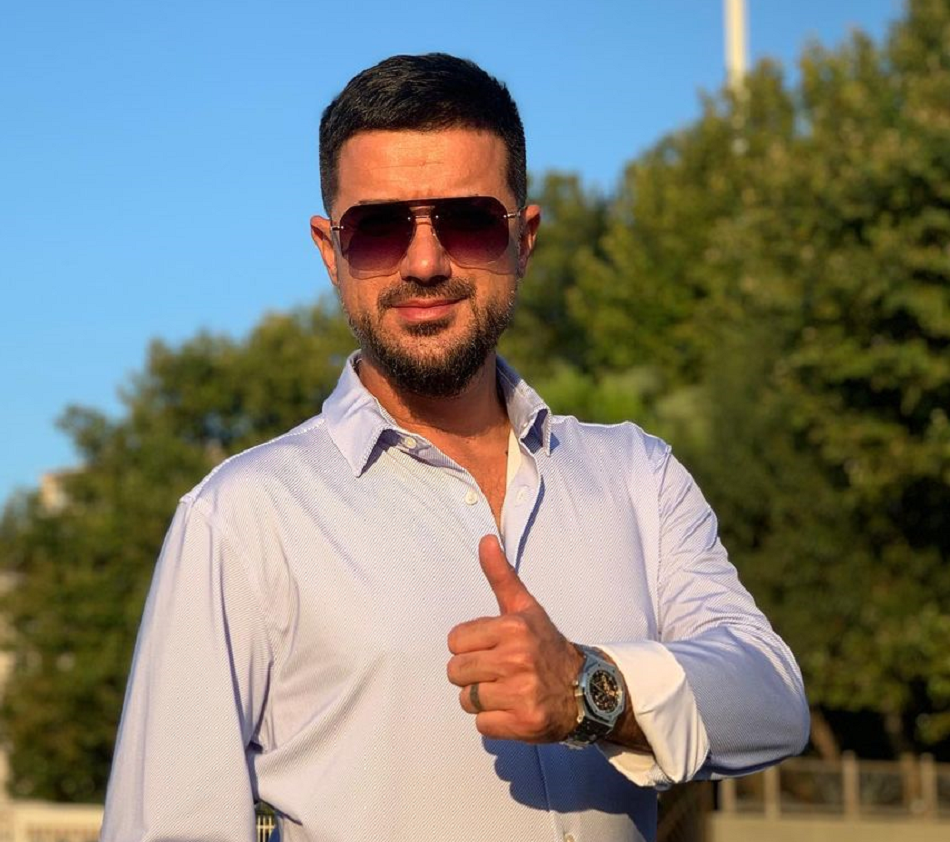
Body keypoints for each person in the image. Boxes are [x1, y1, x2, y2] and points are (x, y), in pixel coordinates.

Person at [100, 53, 808, 842]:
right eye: (378, 230)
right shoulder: (241, 519)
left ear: (523, 239)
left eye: (467, 221)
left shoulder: (638, 477)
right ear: (330, 252)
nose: (425, 262)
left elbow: (773, 703)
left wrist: (590, 690)